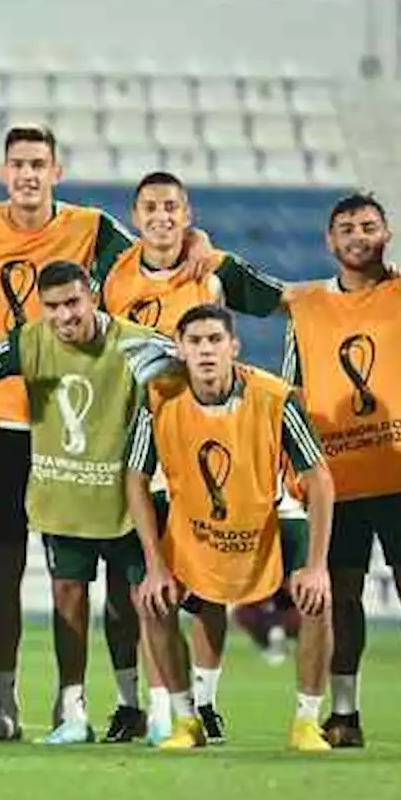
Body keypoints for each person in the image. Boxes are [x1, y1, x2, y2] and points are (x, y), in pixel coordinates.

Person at [0, 261, 178, 744]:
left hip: (126, 499)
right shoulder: (30, 340)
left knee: (144, 603)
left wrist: (173, 359)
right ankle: (72, 710)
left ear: (92, 296)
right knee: (67, 601)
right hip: (62, 497)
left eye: (72, 303)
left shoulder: (134, 342)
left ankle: (161, 709)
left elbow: (179, 369)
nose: (64, 316)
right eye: (52, 307)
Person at [100, 170, 294, 743]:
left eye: (173, 207)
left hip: (204, 440)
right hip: (133, 438)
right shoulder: (112, 274)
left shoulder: (216, 270)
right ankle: (132, 703)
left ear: (187, 215)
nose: (162, 216)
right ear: (135, 218)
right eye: (151, 207)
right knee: (132, 584)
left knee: (205, 587)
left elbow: (287, 302)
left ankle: (201, 704)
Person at [281, 193, 401, 752]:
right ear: (329, 242)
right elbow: (293, 394)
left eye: (368, 225)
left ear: (387, 233)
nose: (357, 235)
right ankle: (344, 715)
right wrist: (291, 465)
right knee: (342, 595)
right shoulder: (307, 307)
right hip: (338, 480)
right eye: (346, 228)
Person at [125, 304, 335, 751]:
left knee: (317, 598)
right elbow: (134, 478)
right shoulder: (159, 398)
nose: (205, 351)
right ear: (180, 349)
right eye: (195, 342)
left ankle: (306, 723)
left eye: (215, 341)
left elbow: (319, 478)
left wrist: (317, 565)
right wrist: (154, 564)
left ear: (233, 347)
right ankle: (187, 720)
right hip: (195, 522)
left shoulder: (275, 397)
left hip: (269, 518)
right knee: (154, 601)